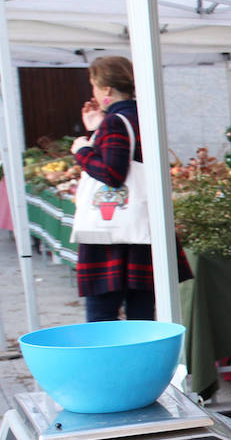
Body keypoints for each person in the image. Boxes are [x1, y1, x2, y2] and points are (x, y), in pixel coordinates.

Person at [69, 55, 190, 323]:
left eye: (94, 87)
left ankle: (106, 366)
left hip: (111, 237)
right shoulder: (143, 117)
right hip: (141, 232)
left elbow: (112, 174)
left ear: (107, 89)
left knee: (102, 319)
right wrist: (95, 129)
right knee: (142, 316)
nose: (94, 94)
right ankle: (142, 366)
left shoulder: (115, 122)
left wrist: (83, 150)